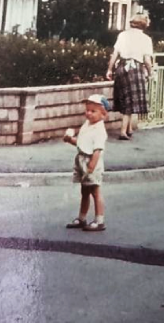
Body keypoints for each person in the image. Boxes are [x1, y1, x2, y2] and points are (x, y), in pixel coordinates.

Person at [63, 94, 109, 232]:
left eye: (93, 111)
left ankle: (99, 220)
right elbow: (82, 143)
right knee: (84, 192)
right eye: (87, 110)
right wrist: (69, 140)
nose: (88, 113)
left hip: (91, 162)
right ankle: (82, 218)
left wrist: (91, 167)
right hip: (82, 160)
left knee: (95, 191)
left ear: (103, 114)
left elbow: (97, 150)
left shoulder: (100, 130)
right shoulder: (87, 125)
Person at [105, 14, 154, 140]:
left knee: (127, 98)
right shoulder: (146, 39)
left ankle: (129, 128)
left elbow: (115, 54)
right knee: (131, 100)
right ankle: (123, 132)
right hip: (135, 68)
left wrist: (110, 69)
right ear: (144, 25)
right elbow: (147, 60)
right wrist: (151, 73)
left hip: (121, 67)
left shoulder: (122, 35)